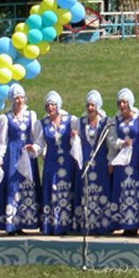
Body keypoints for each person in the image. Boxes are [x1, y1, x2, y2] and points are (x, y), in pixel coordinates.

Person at [0, 83, 41, 234]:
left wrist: (35, 149)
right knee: (13, 185)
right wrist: (0, 158)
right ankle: (11, 223)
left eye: (22, 97)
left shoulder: (31, 115)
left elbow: (35, 136)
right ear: (12, 100)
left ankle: (25, 220)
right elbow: (2, 141)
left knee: (26, 185)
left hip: (27, 154)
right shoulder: (5, 118)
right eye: (17, 98)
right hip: (12, 155)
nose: (20, 101)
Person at [108, 87, 139, 235]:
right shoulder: (116, 119)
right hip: (122, 161)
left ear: (130, 103)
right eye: (120, 103)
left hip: (136, 161)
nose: (122, 105)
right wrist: (121, 144)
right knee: (123, 190)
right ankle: (125, 223)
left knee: (137, 189)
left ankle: (136, 223)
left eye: (125, 102)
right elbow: (112, 139)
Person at [33, 90, 79, 235]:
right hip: (51, 163)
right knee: (52, 191)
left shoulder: (71, 120)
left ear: (58, 105)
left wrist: (74, 137)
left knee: (68, 191)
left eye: (53, 104)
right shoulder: (42, 123)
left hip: (68, 163)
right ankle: (52, 224)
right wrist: (33, 149)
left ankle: (68, 225)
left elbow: (77, 142)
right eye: (48, 105)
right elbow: (39, 144)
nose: (50, 107)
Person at [74, 89, 114, 235]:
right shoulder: (80, 122)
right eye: (88, 105)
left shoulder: (106, 122)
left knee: (102, 190)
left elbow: (110, 143)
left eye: (93, 105)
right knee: (86, 191)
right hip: (86, 162)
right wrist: (74, 138)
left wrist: (110, 162)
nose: (90, 108)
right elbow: (76, 143)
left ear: (98, 106)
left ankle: (103, 224)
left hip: (101, 161)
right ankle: (87, 224)